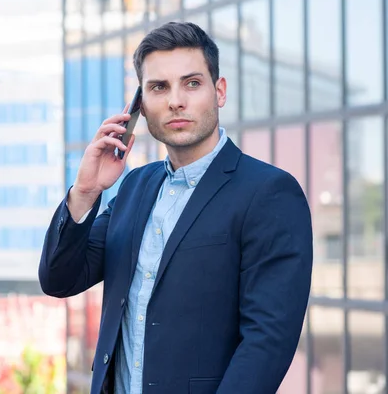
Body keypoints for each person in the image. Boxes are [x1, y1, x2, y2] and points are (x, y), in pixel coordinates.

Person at [38, 21, 313, 394]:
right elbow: (59, 279)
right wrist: (85, 191)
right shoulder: (135, 187)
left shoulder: (269, 193)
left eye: (192, 83)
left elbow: (267, 343)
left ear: (220, 91)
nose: (175, 100)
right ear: (140, 106)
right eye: (158, 87)